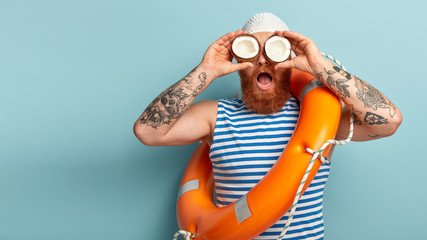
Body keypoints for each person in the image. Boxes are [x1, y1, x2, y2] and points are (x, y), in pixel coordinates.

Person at [134, 13, 402, 240]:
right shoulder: (215, 116)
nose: (263, 60)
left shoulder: (319, 119)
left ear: (288, 58)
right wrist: (208, 69)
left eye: (273, 50)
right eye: (252, 51)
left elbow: (389, 121)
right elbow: (148, 131)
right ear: (238, 62)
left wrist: (319, 66)